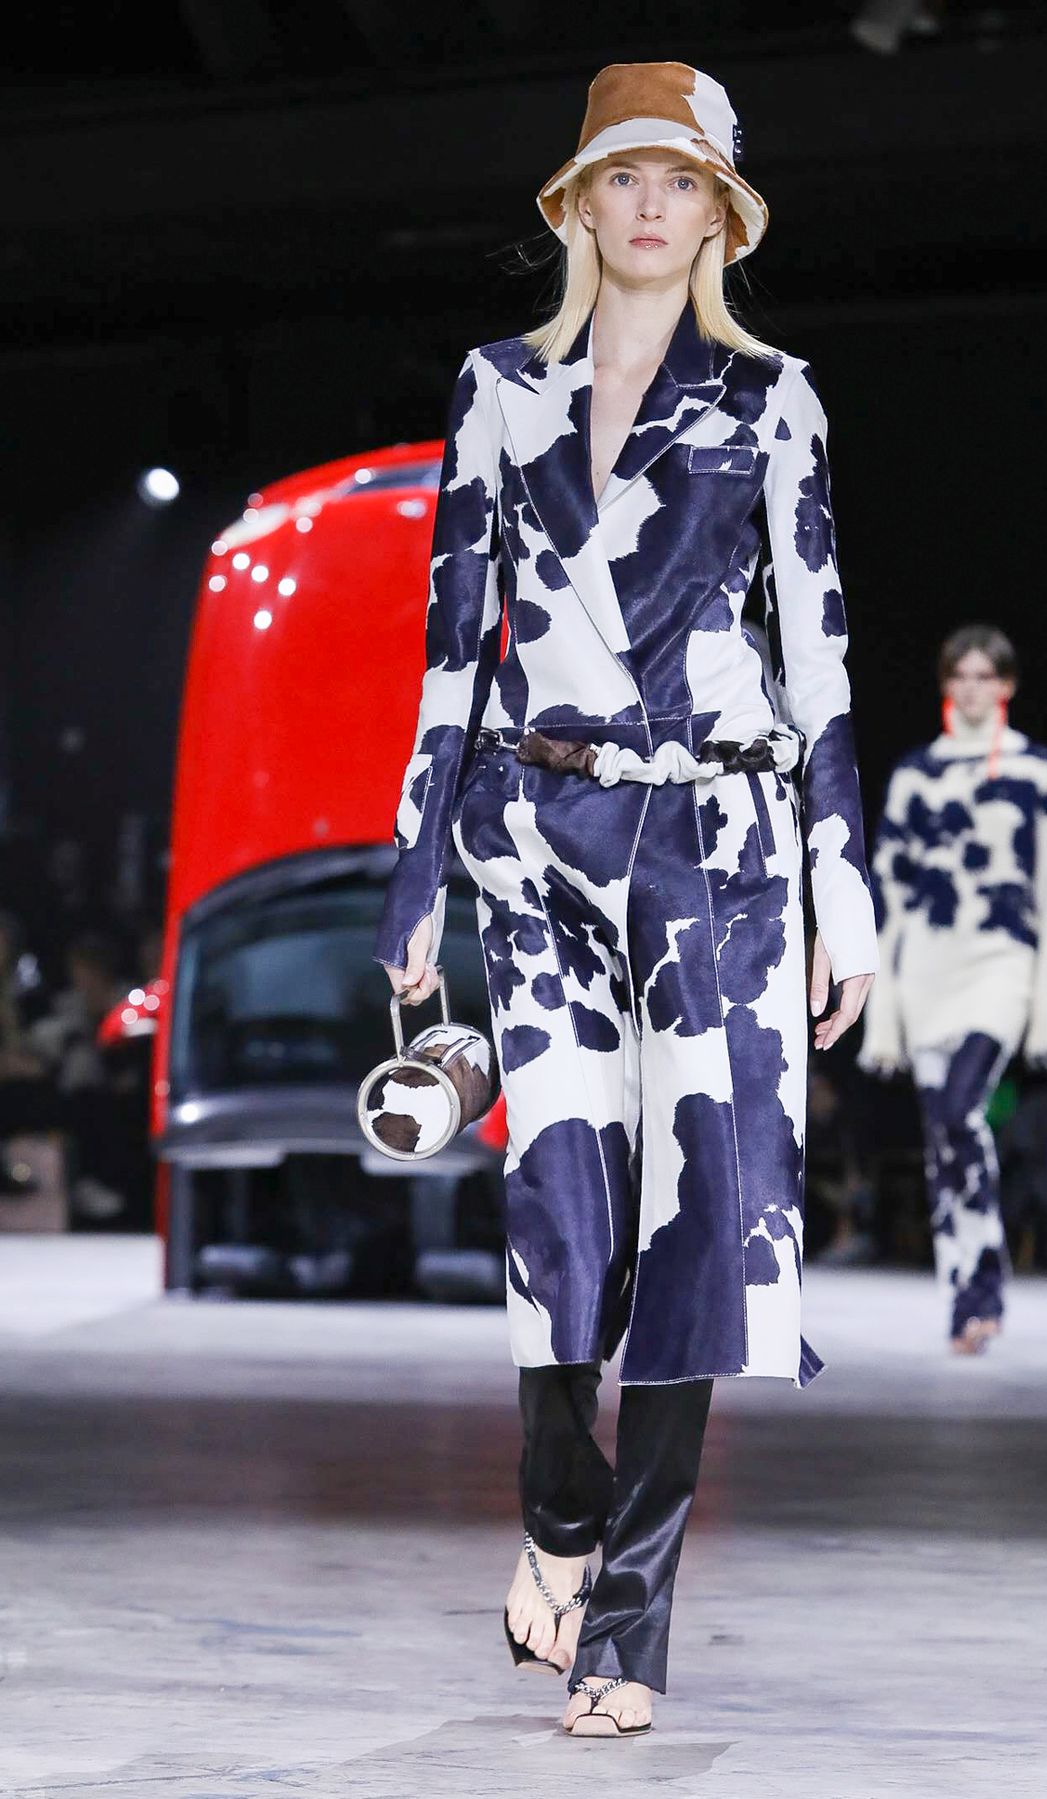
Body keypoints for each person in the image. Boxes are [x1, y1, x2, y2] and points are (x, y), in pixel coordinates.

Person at [372, 61, 878, 1737]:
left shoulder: (774, 398)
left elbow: (821, 654)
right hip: (540, 834)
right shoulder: (497, 389)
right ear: (580, 206)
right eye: (623, 177)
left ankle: (629, 1624)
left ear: (720, 217)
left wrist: (845, 882)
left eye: (681, 182)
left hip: (720, 849)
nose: (651, 206)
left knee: (696, 1229)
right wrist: (413, 867)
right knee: (564, 1211)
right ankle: (557, 1498)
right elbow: (453, 640)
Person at [858, 625, 1047, 1352]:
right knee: (943, 1140)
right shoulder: (915, 775)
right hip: (924, 972)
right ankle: (967, 1292)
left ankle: (983, 1279)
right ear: (947, 684)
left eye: (986, 675)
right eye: (961, 675)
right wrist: (882, 1021)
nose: (973, 688)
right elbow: (890, 901)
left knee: (959, 1112)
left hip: (1001, 966)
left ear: (1006, 685)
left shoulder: (1039, 773)